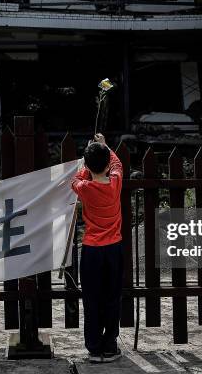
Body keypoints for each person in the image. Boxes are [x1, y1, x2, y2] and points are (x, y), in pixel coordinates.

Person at [71, 133, 123, 363]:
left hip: (92, 249)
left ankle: (93, 347)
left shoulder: (84, 187)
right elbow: (117, 163)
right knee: (112, 297)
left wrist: (86, 164)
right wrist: (103, 145)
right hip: (114, 248)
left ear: (88, 165)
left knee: (92, 299)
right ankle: (110, 344)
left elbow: (76, 178)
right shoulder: (115, 182)